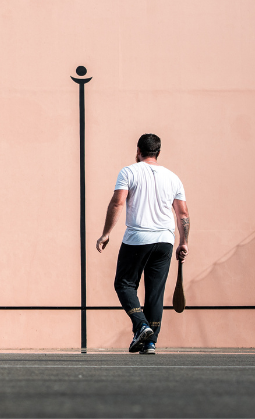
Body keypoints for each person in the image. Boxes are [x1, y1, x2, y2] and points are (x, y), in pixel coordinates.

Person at [96, 134, 190, 354]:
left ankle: (142, 326)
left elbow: (118, 202)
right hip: (166, 240)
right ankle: (149, 342)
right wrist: (184, 242)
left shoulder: (129, 171)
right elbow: (182, 213)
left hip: (138, 238)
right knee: (155, 292)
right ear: (158, 152)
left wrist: (106, 233)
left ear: (138, 150)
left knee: (124, 284)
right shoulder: (173, 177)